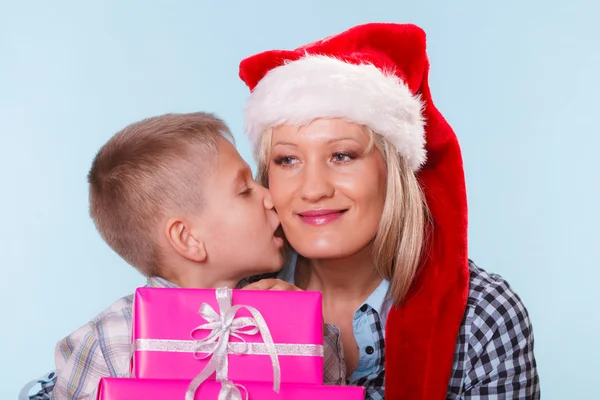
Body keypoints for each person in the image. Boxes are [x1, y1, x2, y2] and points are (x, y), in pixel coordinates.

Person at [239, 23, 540, 399]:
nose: (313, 189)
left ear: (393, 173)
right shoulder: (232, 302)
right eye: (287, 160)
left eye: (342, 155)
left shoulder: (482, 316)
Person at [48, 112, 285, 399]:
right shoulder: (112, 341)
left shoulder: (283, 313)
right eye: (245, 190)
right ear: (188, 238)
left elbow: (329, 386)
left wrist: (302, 324)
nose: (271, 197)